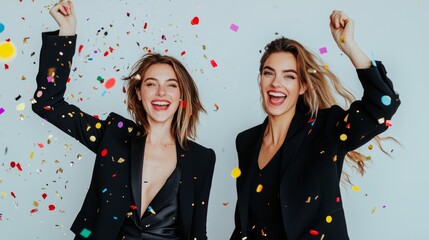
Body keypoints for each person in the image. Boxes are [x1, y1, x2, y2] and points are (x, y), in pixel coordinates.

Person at [32, 1, 216, 239]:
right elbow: (48, 104)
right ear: (139, 94)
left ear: (182, 95)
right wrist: (67, 30)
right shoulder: (113, 135)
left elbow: (197, 232)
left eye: (171, 85)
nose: (161, 93)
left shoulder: (202, 158)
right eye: (151, 84)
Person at [230, 10, 400, 240]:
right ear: (260, 80)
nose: (276, 83)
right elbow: (246, 224)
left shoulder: (327, 127)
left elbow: (383, 105)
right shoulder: (246, 141)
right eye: (268, 73)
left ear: (302, 86)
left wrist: (349, 45)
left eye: (289, 76)